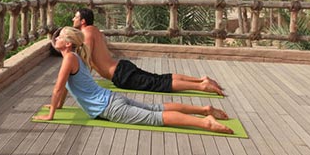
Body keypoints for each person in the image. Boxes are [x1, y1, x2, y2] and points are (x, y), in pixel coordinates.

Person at [34, 27, 233, 134]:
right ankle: (204, 110)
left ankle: (205, 122)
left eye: (59, 36)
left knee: (156, 117)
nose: (56, 38)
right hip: (112, 99)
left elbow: (58, 88)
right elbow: (68, 88)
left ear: (67, 44)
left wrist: (51, 115)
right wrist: (57, 107)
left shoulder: (69, 58)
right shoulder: (75, 58)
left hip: (109, 108)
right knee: (156, 108)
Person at [71, 8, 225, 95]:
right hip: (122, 67)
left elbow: (86, 59)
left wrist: (82, 83)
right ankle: (200, 79)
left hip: (120, 75)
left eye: (75, 17)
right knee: (159, 78)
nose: (73, 19)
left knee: (158, 84)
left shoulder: (87, 34)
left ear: (83, 21)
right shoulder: (95, 30)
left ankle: (202, 86)